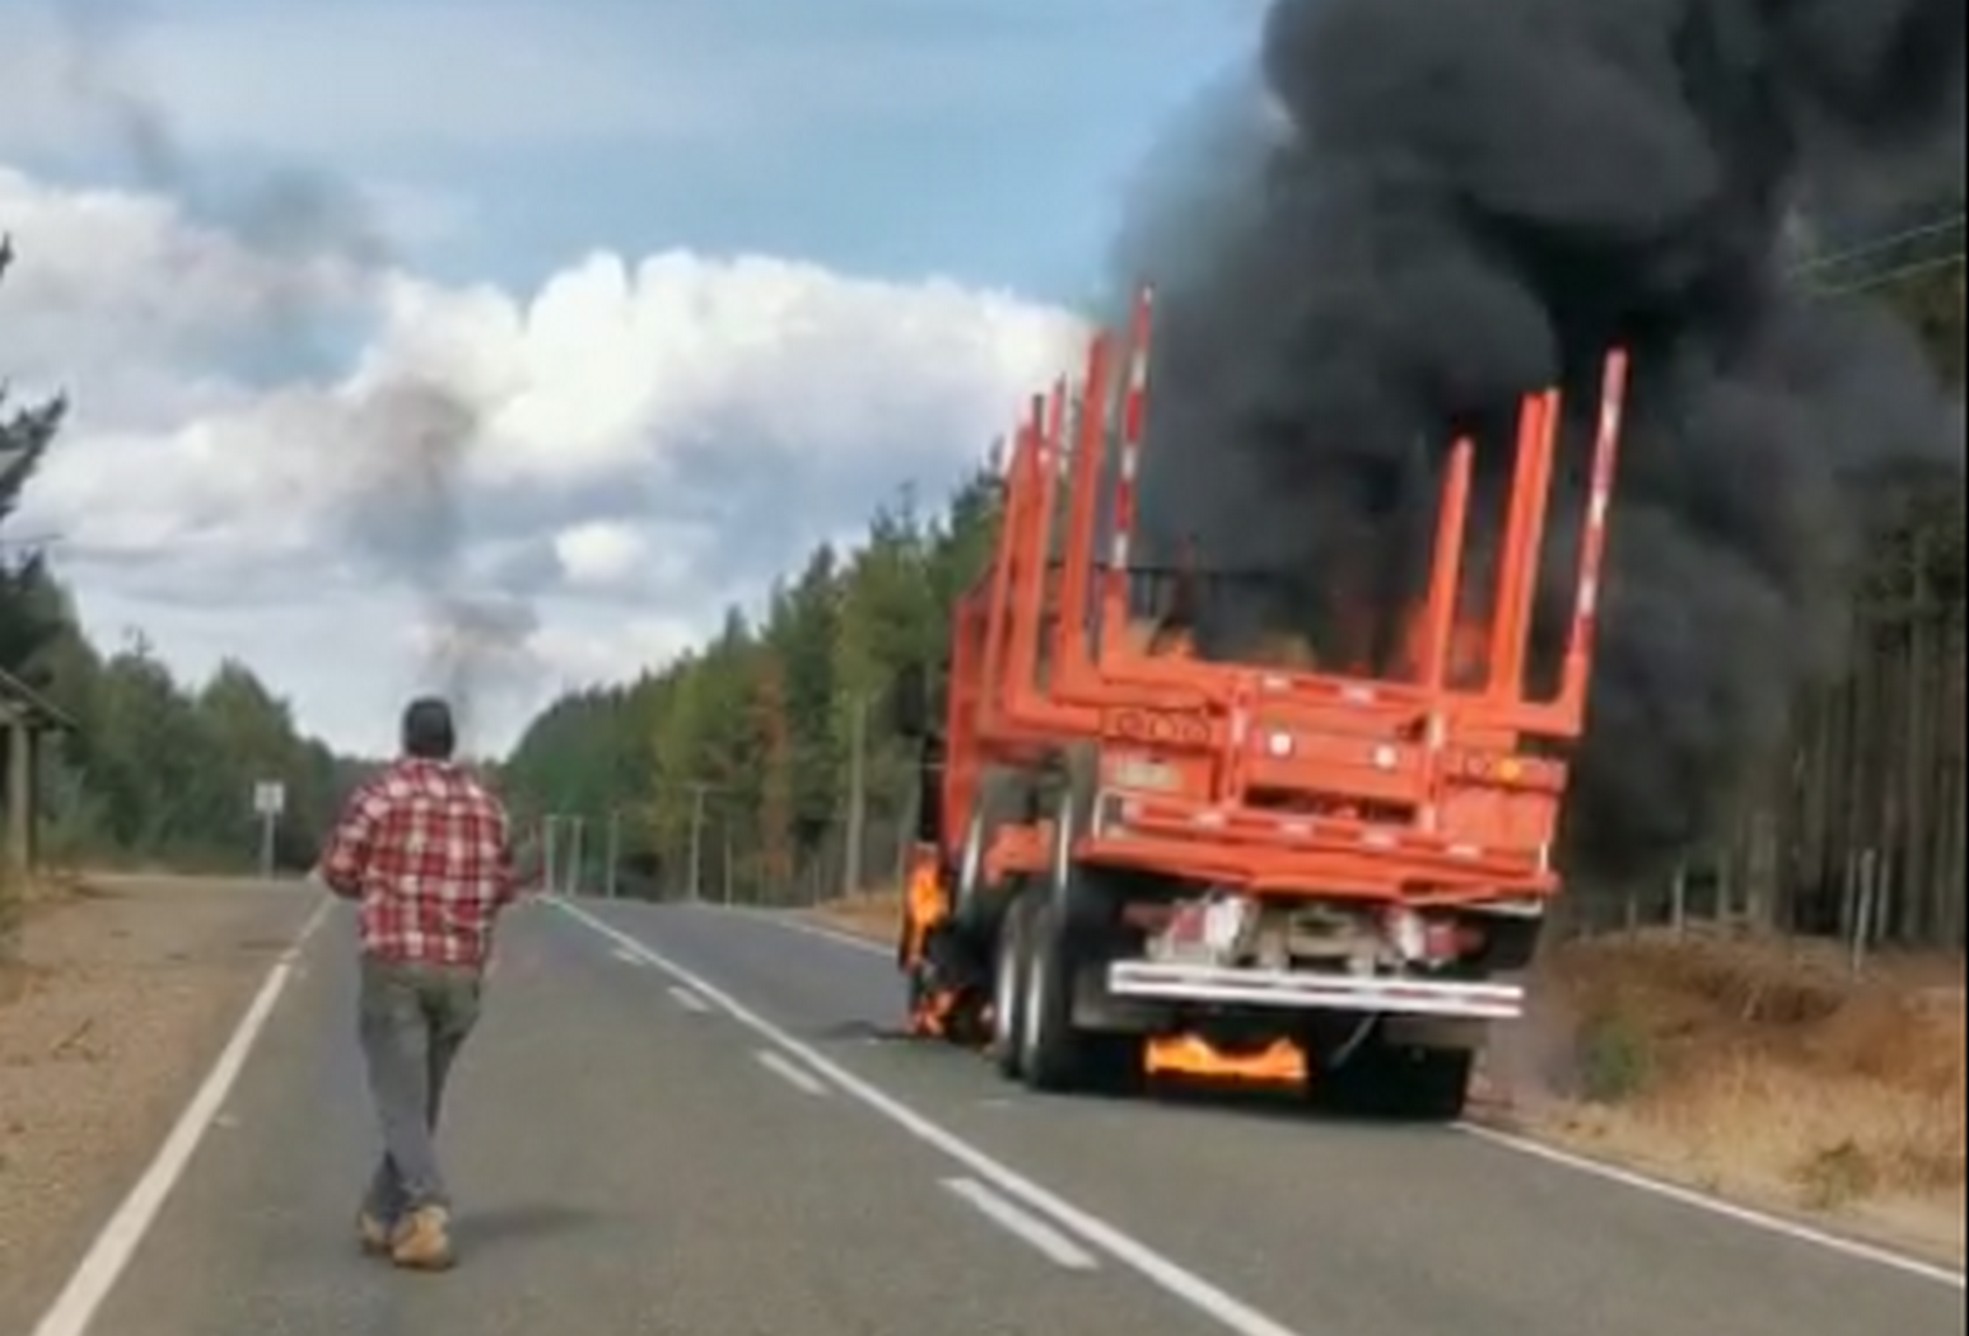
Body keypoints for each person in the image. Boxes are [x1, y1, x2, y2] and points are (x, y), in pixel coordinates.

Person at [315, 696, 520, 1272]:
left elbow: (338, 870)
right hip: (462, 973)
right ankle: (380, 1216)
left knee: (399, 1100)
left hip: (396, 965)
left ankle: (427, 1212)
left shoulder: (381, 796)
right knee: (419, 1099)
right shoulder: (488, 806)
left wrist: (384, 887)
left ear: (406, 740)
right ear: (451, 744)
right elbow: (504, 885)